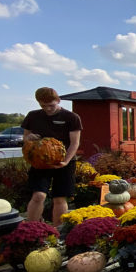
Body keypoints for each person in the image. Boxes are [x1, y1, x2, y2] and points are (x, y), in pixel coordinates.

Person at [22, 87, 82, 226]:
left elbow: (75, 143)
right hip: (40, 162)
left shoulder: (71, 118)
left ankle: (57, 233)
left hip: (64, 162)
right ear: (38, 103)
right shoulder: (33, 116)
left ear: (58, 101)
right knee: (38, 196)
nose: (48, 109)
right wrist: (29, 138)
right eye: (44, 106)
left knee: (59, 198)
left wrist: (66, 161)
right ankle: (31, 229)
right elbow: (25, 137)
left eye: (51, 105)